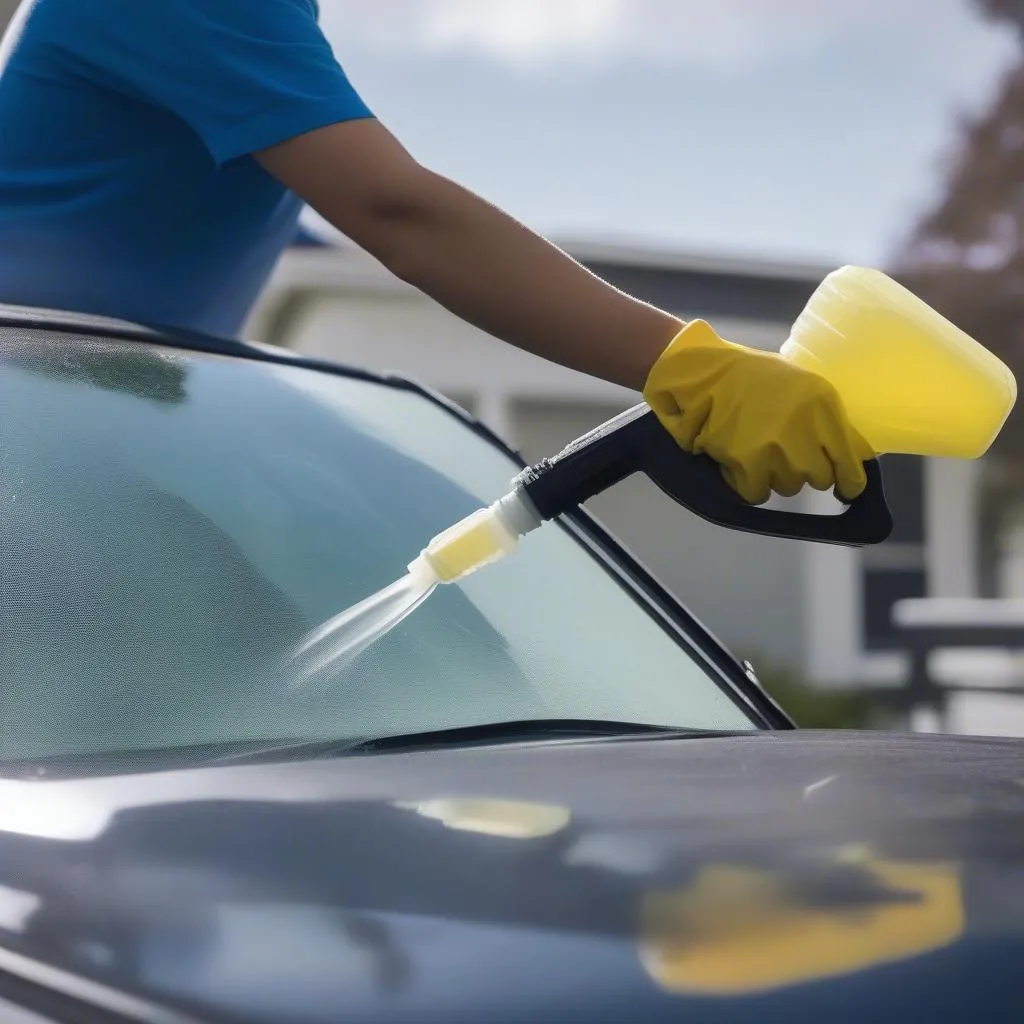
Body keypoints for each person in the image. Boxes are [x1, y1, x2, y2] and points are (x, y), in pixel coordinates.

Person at [0, 0, 872, 506]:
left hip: (88, 433)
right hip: (39, 445)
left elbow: (187, 201)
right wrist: (695, 373)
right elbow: (398, 213)